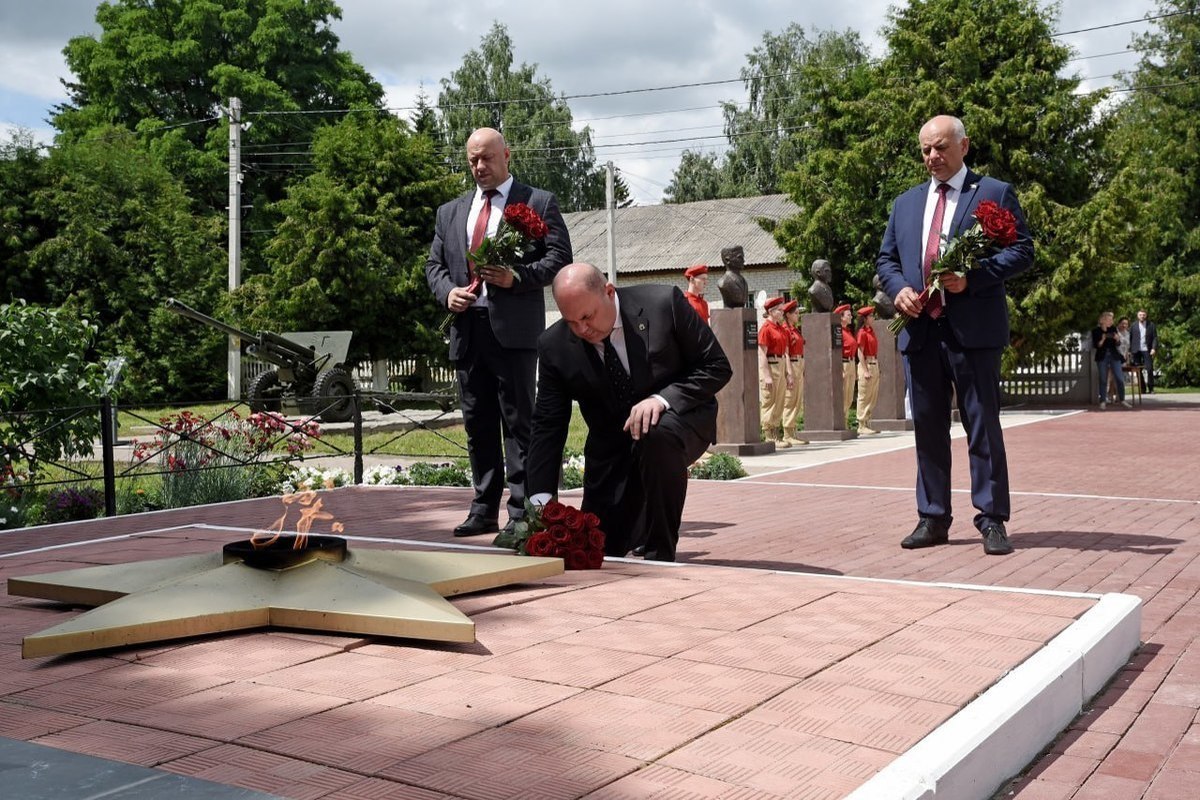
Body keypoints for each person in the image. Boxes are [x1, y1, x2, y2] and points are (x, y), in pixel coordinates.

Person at [876, 114, 1034, 557]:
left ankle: (991, 519)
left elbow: (1023, 250)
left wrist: (975, 276)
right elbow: (886, 261)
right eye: (926, 149)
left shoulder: (993, 193)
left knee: (982, 426)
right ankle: (932, 516)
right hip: (921, 333)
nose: (933, 157)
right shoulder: (905, 204)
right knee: (927, 428)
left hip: (973, 332)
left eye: (941, 147)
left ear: (964, 147)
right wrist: (899, 290)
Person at [525, 263, 731, 562]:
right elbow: (547, 425)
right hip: (612, 446)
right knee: (597, 547)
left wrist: (662, 399)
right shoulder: (554, 346)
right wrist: (541, 502)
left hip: (679, 421)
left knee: (656, 433)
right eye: (571, 322)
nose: (582, 329)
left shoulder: (664, 304)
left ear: (609, 292)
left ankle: (660, 550)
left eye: (587, 317)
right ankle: (637, 526)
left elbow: (716, 366)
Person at [425, 127, 572, 538]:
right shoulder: (451, 212)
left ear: (506, 155)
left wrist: (517, 277)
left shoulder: (537, 202)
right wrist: (447, 293)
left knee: (521, 424)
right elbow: (434, 266)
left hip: (514, 335)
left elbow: (560, 259)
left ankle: (524, 510)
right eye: (472, 159)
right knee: (478, 424)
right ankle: (483, 509)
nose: (479, 166)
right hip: (468, 331)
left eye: (487, 158)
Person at [758, 296, 793, 447]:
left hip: (780, 364)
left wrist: (788, 373)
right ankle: (768, 433)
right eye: (779, 310)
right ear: (771, 312)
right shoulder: (766, 329)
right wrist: (766, 376)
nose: (782, 312)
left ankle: (775, 432)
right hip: (771, 365)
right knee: (770, 400)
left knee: (779, 400)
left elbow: (785, 353)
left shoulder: (780, 328)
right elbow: (762, 353)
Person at [780, 300, 808, 445]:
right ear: (788, 315)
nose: (798, 316)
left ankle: (793, 430)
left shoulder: (795, 329)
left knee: (797, 399)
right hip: (791, 363)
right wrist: (789, 372)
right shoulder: (785, 330)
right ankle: (787, 433)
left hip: (799, 363)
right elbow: (785, 353)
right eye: (796, 313)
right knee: (790, 398)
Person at [1092, 311, 1131, 410]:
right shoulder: (1096, 331)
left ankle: (1122, 400)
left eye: (1112, 320)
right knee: (1103, 379)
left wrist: (1117, 339)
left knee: (1119, 378)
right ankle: (1103, 401)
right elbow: (1097, 346)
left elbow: (1117, 344)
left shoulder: (1113, 329)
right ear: (1103, 320)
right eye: (1109, 320)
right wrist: (1103, 339)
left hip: (1114, 355)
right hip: (1102, 356)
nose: (1111, 321)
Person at [855, 306, 881, 434]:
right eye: (871, 316)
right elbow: (860, 352)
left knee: (872, 395)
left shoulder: (871, 331)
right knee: (864, 395)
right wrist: (865, 370)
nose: (873, 318)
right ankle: (861, 424)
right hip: (866, 363)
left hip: (874, 363)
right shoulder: (862, 332)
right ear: (865, 319)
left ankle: (867, 421)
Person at [835, 304, 858, 422]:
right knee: (844, 394)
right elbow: (837, 352)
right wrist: (841, 369)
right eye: (848, 315)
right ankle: (842, 421)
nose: (851, 317)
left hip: (851, 363)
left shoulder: (848, 331)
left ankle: (845, 420)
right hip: (844, 364)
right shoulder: (839, 332)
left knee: (849, 395)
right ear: (841, 317)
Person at [1129, 309, 1158, 393]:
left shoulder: (1151, 325)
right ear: (1138, 316)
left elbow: (1155, 338)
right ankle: (1142, 388)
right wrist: (1129, 350)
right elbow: (1129, 338)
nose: (1142, 316)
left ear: (1146, 315)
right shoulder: (1133, 325)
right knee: (1138, 370)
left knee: (1149, 368)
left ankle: (1151, 388)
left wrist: (1153, 348)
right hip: (1136, 350)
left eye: (1143, 315)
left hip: (1147, 349)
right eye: (1140, 315)